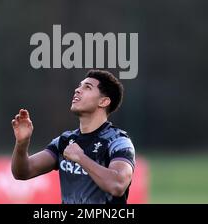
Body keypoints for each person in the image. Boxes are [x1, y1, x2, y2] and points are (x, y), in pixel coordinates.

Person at [11, 69, 135, 204]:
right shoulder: (65, 141)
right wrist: (22, 143)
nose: (77, 90)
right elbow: (23, 172)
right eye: (79, 85)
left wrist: (81, 158)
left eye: (87, 87)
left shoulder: (118, 141)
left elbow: (117, 185)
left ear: (103, 102)